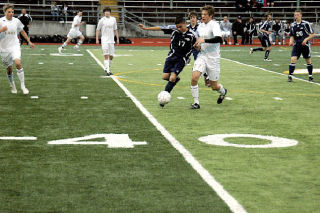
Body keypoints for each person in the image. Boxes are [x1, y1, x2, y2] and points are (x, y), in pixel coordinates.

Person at [191, 5, 227, 109]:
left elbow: (219, 39)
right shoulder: (200, 26)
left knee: (214, 86)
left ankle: (223, 92)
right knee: (194, 78)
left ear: (211, 15)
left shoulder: (214, 25)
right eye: (202, 14)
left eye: (205, 14)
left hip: (213, 59)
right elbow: (199, 40)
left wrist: (204, 40)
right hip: (202, 55)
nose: (203, 16)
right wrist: (197, 45)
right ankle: (196, 103)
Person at [159, 16, 196, 107]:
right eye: (177, 27)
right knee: (164, 77)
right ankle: (176, 79)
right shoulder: (174, 31)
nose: (179, 29)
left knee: (171, 78)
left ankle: (165, 96)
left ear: (184, 24)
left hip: (182, 59)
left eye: (180, 26)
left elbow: (195, 46)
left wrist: (189, 57)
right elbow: (160, 28)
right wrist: (146, 28)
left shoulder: (192, 35)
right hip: (171, 56)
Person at [0, 4, 35, 94]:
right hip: (4, 48)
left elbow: (22, 31)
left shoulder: (16, 21)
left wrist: (29, 41)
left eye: (12, 12)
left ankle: (23, 86)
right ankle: (12, 84)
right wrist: (1, 30)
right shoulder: (1, 21)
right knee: (9, 69)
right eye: (9, 12)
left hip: (15, 45)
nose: (11, 13)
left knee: (18, 63)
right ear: (5, 12)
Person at [288, 10, 315, 82]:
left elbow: (312, 34)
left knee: (308, 60)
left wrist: (306, 39)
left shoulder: (306, 24)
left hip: (305, 45)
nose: (296, 16)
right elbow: (292, 35)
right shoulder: (293, 25)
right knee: (293, 59)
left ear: (301, 15)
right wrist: (291, 41)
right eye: (295, 15)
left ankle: (310, 76)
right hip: (297, 45)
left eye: (297, 15)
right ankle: (290, 76)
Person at [96, 7, 119, 76]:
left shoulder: (113, 19)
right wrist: (97, 39)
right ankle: (108, 71)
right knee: (106, 55)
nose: (107, 12)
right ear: (104, 13)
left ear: (110, 12)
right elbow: (97, 30)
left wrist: (117, 38)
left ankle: (107, 67)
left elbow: (115, 29)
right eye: (105, 11)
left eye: (108, 11)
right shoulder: (102, 20)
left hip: (111, 40)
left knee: (111, 55)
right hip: (104, 40)